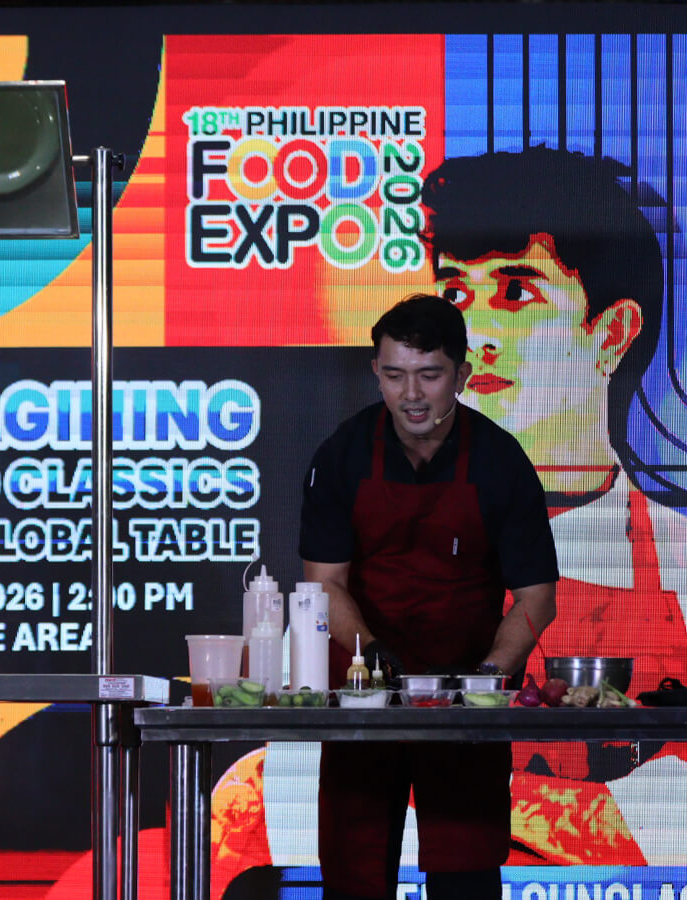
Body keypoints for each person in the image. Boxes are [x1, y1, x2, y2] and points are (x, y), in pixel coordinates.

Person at [420, 146, 687, 865]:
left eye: (515, 292)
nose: (471, 338)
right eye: (455, 295)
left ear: (611, 333)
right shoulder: (393, 561)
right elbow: (302, 777)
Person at [298, 293, 559, 900]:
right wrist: (369, 653)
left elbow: (537, 598)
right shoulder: (341, 456)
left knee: (465, 875)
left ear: (462, 375)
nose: (411, 394)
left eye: (429, 375)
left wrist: (487, 680)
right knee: (355, 875)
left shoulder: (500, 462)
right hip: (364, 698)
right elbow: (324, 582)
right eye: (394, 375)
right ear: (375, 372)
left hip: (465, 707)